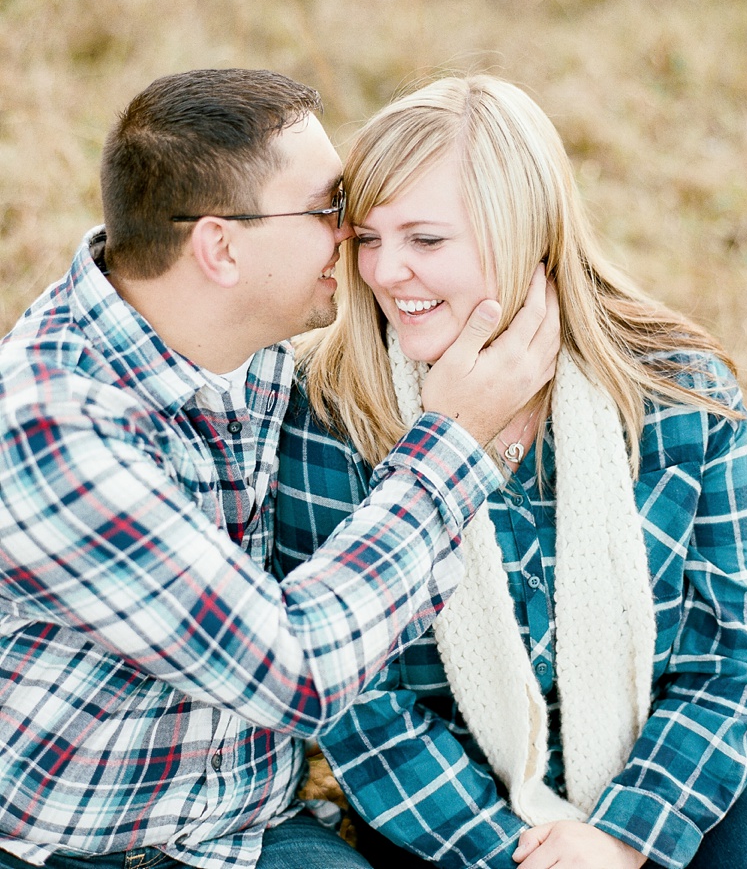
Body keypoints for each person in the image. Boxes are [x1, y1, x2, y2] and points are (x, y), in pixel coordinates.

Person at [0, 69, 562, 869]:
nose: (352, 233)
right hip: (64, 849)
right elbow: (295, 672)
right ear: (221, 248)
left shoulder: (252, 348)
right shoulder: (51, 430)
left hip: (244, 836)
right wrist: (456, 441)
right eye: (330, 208)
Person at [275, 74, 747, 869]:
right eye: (367, 238)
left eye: (424, 240)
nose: (383, 272)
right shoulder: (331, 406)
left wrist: (621, 838)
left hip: (661, 785)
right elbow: (363, 705)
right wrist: (516, 856)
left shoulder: (679, 391)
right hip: (452, 817)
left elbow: (733, 656)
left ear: (524, 231)